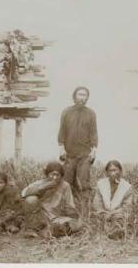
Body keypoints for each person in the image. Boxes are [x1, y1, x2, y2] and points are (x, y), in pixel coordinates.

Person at [58, 86, 98, 215]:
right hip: (69, 154)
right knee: (66, 182)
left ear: (87, 98)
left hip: (84, 154)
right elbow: (62, 131)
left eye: (85, 95)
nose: (82, 97)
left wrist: (94, 150)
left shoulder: (91, 113)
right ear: (74, 96)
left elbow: (93, 132)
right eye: (80, 94)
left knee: (83, 183)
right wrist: (61, 147)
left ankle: (85, 213)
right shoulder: (66, 112)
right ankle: (65, 211)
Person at [21, 162, 81, 238]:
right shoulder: (41, 183)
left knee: (77, 224)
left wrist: (73, 217)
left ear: (61, 176)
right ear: (47, 174)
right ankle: (33, 229)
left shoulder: (65, 186)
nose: (55, 178)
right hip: (41, 217)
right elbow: (23, 193)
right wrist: (44, 187)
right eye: (52, 174)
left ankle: (50, 231)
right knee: (31, 199)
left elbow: (69, 205)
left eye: (57, 175)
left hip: (57, 217)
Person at [92, 160, 133, 240]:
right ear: (107, 172)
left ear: (120, 171)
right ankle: (111, 231)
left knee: (120, 219)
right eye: (110, 170)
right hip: (103, 213)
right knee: (97, 218)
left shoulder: (127, 187)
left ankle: (116, 232)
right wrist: (103, 212)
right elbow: (97, 203)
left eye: (115, 170)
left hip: (118, 213)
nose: (113, 173)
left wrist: (114, 213)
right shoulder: (101, 184)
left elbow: (127, 206)